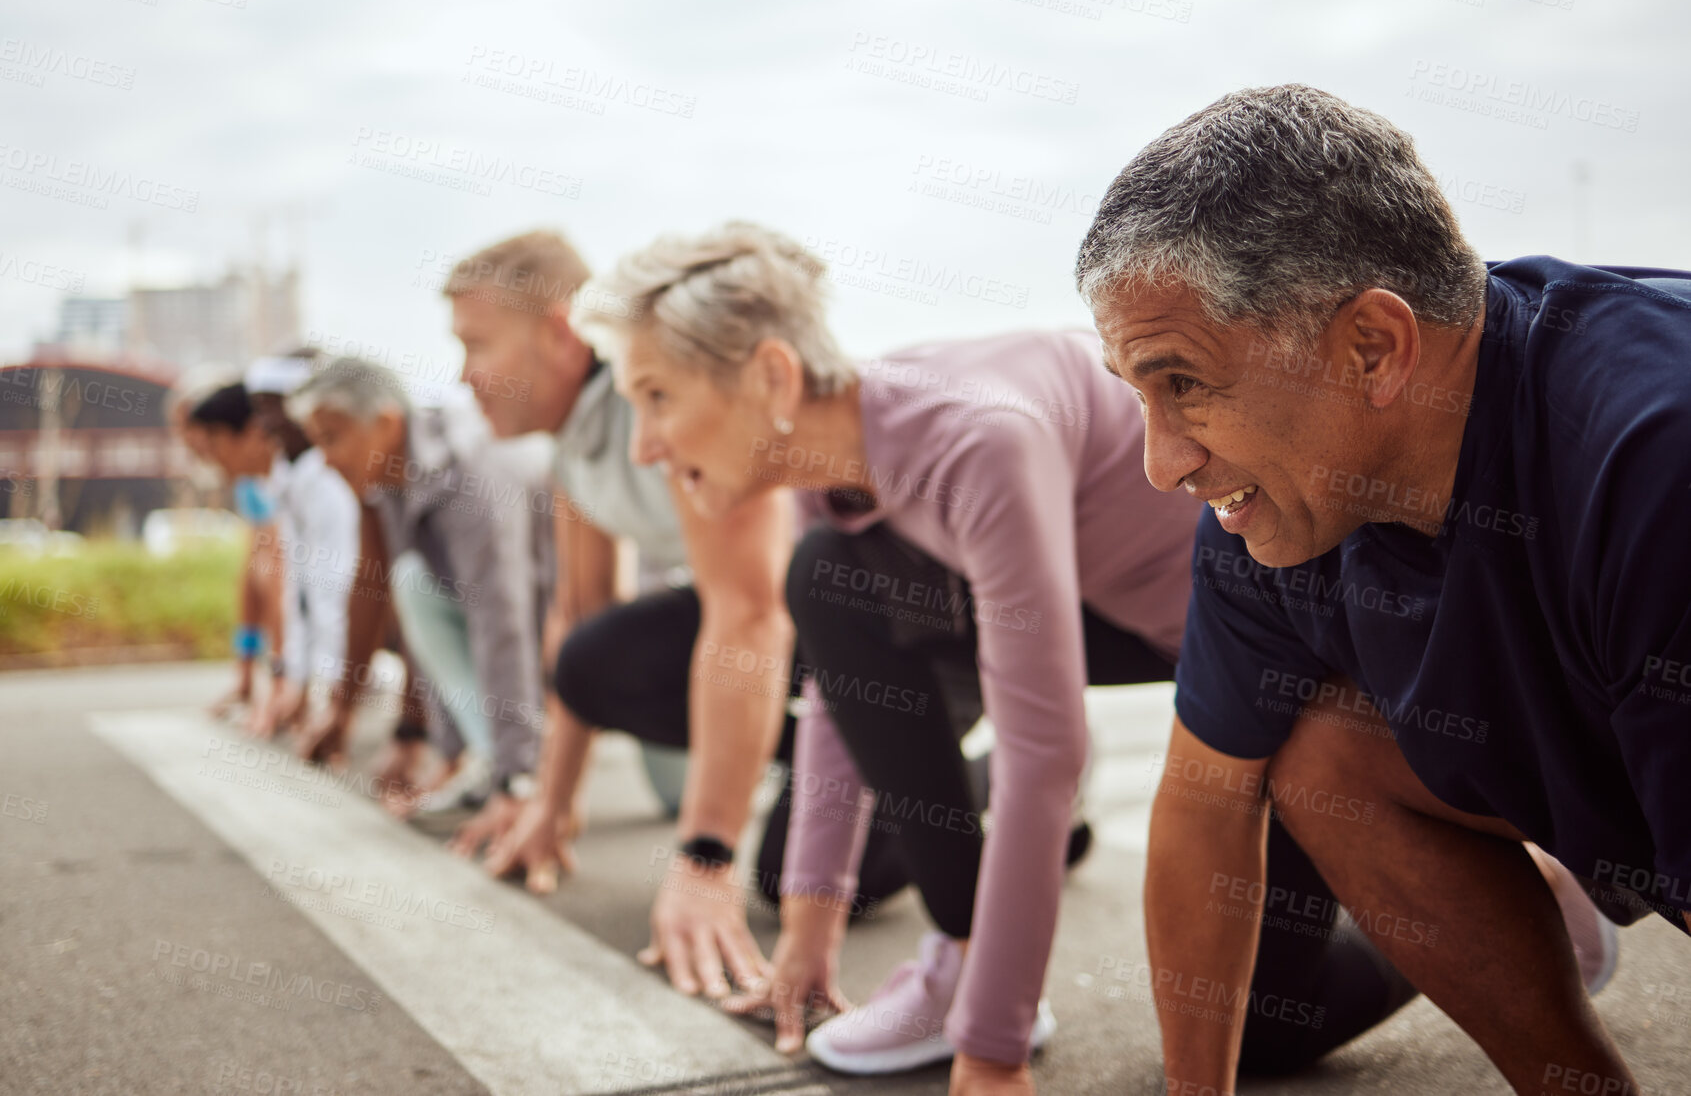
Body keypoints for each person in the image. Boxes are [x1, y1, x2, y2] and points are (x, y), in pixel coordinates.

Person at [1075, 83, 1688, 1095]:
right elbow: (1201, 808)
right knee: (1322, 756)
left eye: (1181, 381)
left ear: (1370, 347)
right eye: (1135, 393)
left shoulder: (1648, 459)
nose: (1160, 461)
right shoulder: (1269, 511)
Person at [569, 221, 1204, 1095]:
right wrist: (809, 925)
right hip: (1092, 599)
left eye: (657, 397)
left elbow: (1040, 753)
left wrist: (994, 1053)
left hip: (1226, 632)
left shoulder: (976, 441)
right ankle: (959, 955)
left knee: (1284, 1010)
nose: (645, 445)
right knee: (826, 579)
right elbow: (845, 693)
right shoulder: (832, 469)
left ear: (771, 378)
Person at [432, 230, 905, 994]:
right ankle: (831, 760)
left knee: (807, 873)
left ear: (558, 332)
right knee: (589, 659)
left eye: (477, 345)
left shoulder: (664, 395)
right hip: (794, 633)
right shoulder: (572, 446)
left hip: (869, 624)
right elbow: (582, 616)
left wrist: (703, 860)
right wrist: (547, 809)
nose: (463, 376)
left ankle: (956, 774)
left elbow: (749, 614)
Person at [287, 358, 551, 826]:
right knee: (413, 584)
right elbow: (411, 622)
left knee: (673, 793)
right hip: (526, 626)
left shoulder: (468, 474)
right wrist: (444, 751)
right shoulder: (390, 481)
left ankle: (516, 775)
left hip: (568, 627)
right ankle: (480, 761)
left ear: (386, 424)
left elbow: (504, 627)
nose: (324, 458)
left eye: (332, 438)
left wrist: (517, 781)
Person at [241, 354, 361, 741]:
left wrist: (325, 696)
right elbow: (297, 588)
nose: (265, 422)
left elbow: (334, 587)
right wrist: (294, 681)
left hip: (351, 638)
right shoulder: (285, 472)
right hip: (316, 648)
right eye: (258, 409)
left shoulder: (329, 476)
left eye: (272, 408)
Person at [184, 382, 287, 717]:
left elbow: (276, 567)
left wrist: (282, 680)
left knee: (268, 563)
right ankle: (260, 679)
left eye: (211, 439)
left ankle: (284, 681)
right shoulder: (251, 481)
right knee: (257, 564)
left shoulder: (280, 477)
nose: (204, 450)